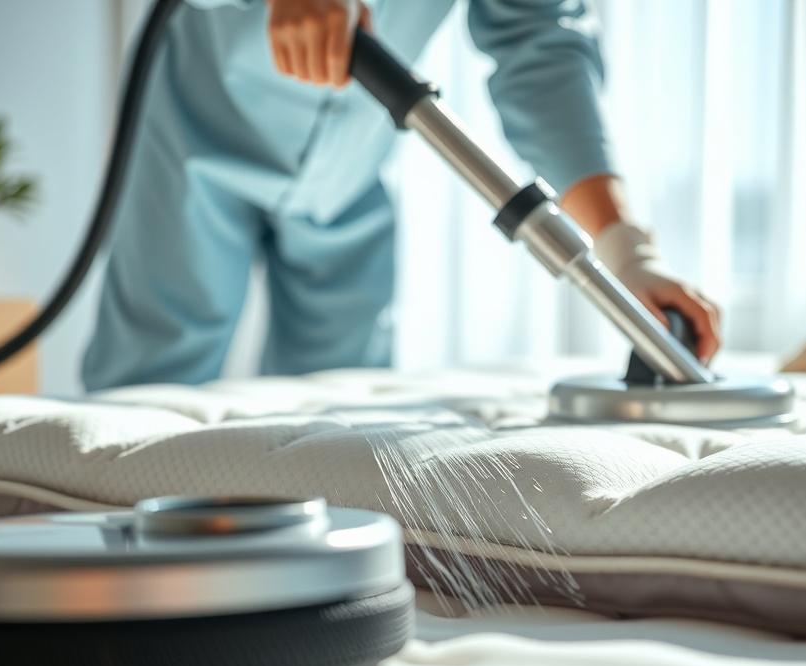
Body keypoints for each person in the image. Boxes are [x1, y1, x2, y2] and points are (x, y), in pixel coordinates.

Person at [83, 0, 721, 390]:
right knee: (148, 391)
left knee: (335, 423)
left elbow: (542, 50)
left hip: (350, 170)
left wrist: (625, 247)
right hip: (198, 138)